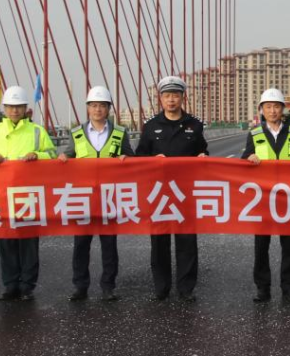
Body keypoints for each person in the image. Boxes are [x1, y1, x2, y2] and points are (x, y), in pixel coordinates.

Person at [0, 85, 56, 301]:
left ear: (25, 108)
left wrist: (37, 154)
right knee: (6, 241)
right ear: (4, 108)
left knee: (28, 242)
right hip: (2, 196)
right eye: (11, 107)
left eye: (18, 107)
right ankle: (10, 285)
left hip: (28, 196)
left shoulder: (37, 131)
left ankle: (27, 286)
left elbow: (52, 154)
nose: (14, 111)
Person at [134, 75, 208, 302]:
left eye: (175, 95)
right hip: (159, 193)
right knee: (159, 242)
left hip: (185, 192)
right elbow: (140, 157)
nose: (171, 100)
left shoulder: (194, 125)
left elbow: (203, 151)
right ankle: (161, 287)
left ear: (182, 97)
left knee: (187, 242)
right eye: (167, 96)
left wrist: (203, 156)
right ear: (161, 99)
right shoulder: (151, 126)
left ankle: (186, 288)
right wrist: (152, 159)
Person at [58, 85, 133, 302]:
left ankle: (108, 286)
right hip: (84, 198)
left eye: (102, 105)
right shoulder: (77, 133)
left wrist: (126, 159)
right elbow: (69, 154)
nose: (98, 109)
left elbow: (132, 158)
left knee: (109, 245)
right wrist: (64, 158)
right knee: (81, 245)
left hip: (109, 197)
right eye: (94, 105)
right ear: (88, 108)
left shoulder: (120, 132)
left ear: (108, 108)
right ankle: (80, 286)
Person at [242, 88, 290, 303]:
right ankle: (263, 289)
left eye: (276, 107)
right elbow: (243, 160)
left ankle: (289, 289)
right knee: (261, 246)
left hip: (287, 198)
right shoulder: (254, 134)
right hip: (262, 199)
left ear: (283, 109)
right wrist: (249, 157)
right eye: (268, 107)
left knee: (288, 247)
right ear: (262, 110)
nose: (272, 111)